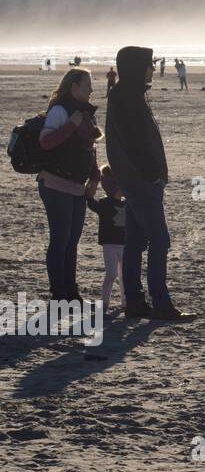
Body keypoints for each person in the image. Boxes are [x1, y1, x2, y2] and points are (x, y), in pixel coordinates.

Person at [105, 46, 193, 321]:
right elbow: (135, 143)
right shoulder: (127, 97)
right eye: (148, 64)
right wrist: (152, 173)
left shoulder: (127, 94)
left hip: (136, 179)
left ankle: (134, 301)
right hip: (140, 180)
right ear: (136, 67)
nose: (152, 69)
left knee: (135, 240)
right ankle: (160, 302)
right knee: (159, 239)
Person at [36, 68, 102, 301]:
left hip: (76, 185)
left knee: (72, 242)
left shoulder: (85, 112)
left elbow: (91, 148)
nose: (91, 89)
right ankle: (59, 293)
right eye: (87, 85)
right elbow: (46, 142)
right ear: (74, 87)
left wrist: (95, 179)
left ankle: (71, 292)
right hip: (54, 183)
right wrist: (71, 125)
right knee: (61, 239)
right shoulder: (59, 110)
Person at [86, 165, 127, 310]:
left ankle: (125, 302)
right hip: (109, 244)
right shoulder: (105, 204)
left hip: (124, 243)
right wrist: (89, 194)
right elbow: (92, 204)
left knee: (125, 276)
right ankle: (104, 302)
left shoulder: (126, 204)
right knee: (111, 274)